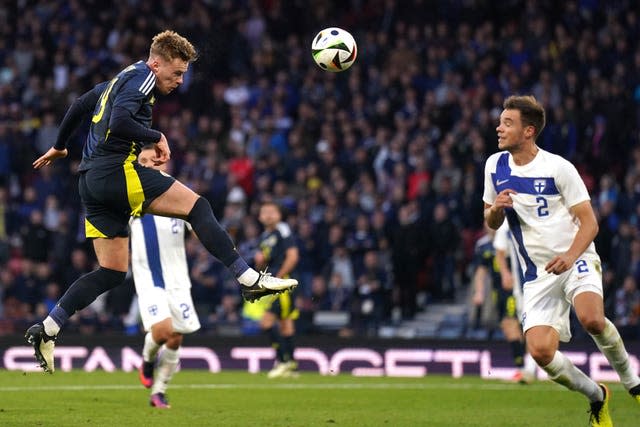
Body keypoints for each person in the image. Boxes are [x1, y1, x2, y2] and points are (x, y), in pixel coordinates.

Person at [25, 30, 297, 374]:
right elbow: (121, 121)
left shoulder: (119, 79)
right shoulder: (142, 78)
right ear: (157, 63)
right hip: (115, 173)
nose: (180, 81)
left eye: (183, 74)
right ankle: (247, 279)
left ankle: (48, 329)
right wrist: (157, 135)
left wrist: (61, 145)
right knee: (198, 207)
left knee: (110, 272)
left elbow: (80, 104)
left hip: (90, 183)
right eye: (176, 73)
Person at [483, 95, 640, 427]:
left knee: (592, 319)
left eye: (507, 123)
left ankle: (632, 381)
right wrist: (495, 209)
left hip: (575, 256)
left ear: (528, 131)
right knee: (540, 351)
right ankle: (597, 395)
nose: (499, 127)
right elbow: (490, 221)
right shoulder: (494, 166)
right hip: (537, 274)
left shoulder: (558, 168)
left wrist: (570, 257)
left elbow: (591, 222)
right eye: (500, 121)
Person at [132, 145, 200, 408]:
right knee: (162, 330)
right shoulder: (130, 196)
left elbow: (198, 226)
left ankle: (159, 392)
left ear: (164, 163)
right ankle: (148, 360)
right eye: (143, 161)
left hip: (178, 279)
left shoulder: (180, 195)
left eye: (154, 161)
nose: (149, 165)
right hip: (149, 277)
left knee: (176, 336)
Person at [253, 201, 300, 378]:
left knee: (266, 322)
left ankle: (283, 361)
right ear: (260, 216)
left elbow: (293, 256)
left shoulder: (283, 229)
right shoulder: (265, 236)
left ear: (279, 215)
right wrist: (260, 263)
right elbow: (264, 264)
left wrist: (280, 277)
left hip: (283, 282)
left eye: (272, 211)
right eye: (265, 212)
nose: (268, 215)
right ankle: (292, 366)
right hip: (274, 284)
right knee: (286, 324)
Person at [492, 220, 537, 384]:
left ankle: (530, 369)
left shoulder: (540, 215)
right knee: (527, 327)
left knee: (535, 326)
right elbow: (500, 250)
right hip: (521, 287)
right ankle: (528, 368)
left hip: (543, 282)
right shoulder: (506, 224)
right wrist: (504, 272)